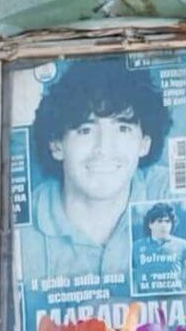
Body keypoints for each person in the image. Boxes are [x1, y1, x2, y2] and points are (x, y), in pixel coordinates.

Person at [18, 57, 173, 284]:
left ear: (144, 143)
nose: (103, 149)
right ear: (56, 145)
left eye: (122, 128)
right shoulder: (23, 227)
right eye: (85, 130)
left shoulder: (170, 194)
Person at [132, 202, 186, 294]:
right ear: (150, 224)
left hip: (174, 300)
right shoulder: (136, 246)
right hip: (145, 302)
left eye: (167, 221)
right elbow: (131, 278)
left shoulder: (183, 245)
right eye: (159, 221)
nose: (164, 225)